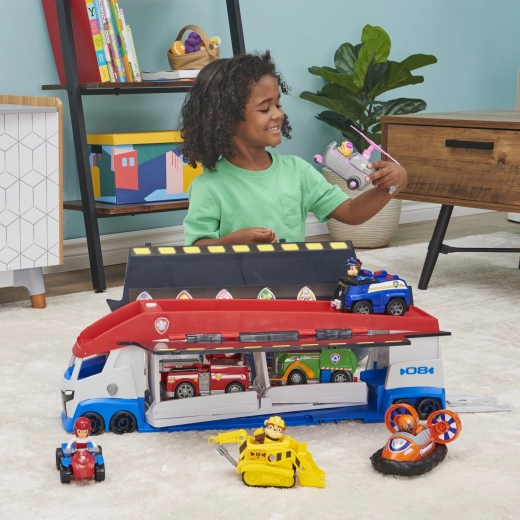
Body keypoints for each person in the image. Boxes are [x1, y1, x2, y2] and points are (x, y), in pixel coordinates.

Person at [180, 51, 407, 246]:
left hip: (293, 280)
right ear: (226, 119)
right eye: (264, 109)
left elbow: (351, 212)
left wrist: (391, 185)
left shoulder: (297, 171)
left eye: (277, 104)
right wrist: (234, 242)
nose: (278, 114)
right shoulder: (208, 187)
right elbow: (197, 249)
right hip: (237, 283)